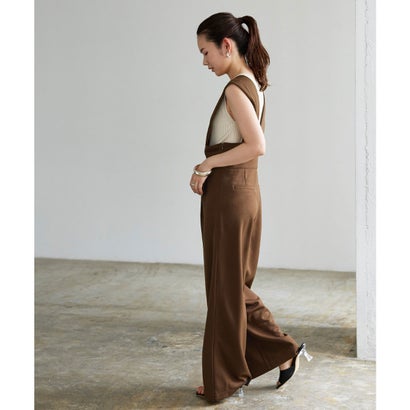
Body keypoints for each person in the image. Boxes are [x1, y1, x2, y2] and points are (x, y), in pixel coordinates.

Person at [189, 12, 311, 403]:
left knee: (226, 289)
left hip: (230, 197)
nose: (204, 61)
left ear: (226, 46)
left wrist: (206, 164)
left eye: (206, 51)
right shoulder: (254, 83)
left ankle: (266, 358)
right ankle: (246, 366)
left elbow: (257, 145)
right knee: (232, 288)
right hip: (244, 193)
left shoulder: (235, 90)